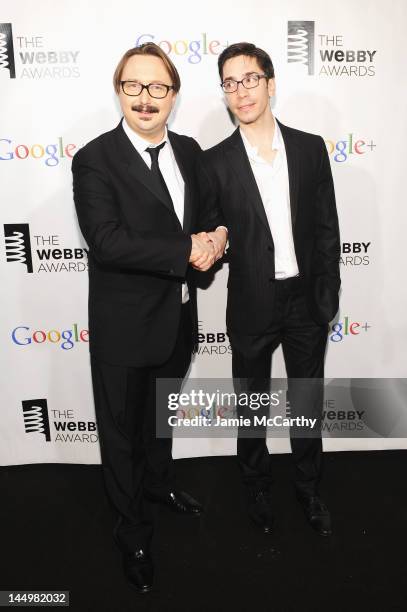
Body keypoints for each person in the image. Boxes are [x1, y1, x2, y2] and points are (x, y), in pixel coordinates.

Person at [72, 43, 227, 593]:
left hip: (179, 320)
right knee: (120, 435)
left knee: (160, 418)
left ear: (174, 95)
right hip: (124, 327)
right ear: (119, 90)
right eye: (134, 86)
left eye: (157, 87)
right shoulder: (94, 158)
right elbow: (107, 241)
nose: (145, 98)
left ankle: (160, 485)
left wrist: (217, 237)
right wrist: (187, 250)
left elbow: (210, 214)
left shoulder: (189, 150)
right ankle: (132, 530)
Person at [199, 42, 340, 537]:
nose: (241, 90)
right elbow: (210, 228)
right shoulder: (213, 162)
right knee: (251, 401)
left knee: (306, 400)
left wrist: (327, 295)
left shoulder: (309, 147)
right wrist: (212, 238)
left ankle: (308, 486)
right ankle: (256, 484)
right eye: (230, 83)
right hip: (252, 301)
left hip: (306, 300)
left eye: (250, 79)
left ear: (270, 83)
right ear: (225, 94)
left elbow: (327, 227)